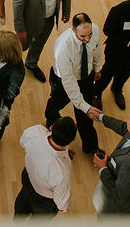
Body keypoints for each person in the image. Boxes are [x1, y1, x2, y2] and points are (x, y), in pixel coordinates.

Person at [44, 13, 102, 155]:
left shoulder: (94, 30)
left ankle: (91, 147)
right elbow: (69, 82)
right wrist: (83, 105)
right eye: (83, 36)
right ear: (73, 30)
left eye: (89, 34)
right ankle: (51, 121)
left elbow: (97, 50)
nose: (87, 39)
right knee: (55, 105)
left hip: (86, 77)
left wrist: (97, 68)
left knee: (85, 117)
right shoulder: (63, 48)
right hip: (63, 80)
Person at [13, 0, 72, 82]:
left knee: (39, 43)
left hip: (50, 19)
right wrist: (19, 29)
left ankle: (31, 63)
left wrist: (66, 10)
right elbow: (17, 5)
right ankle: (12, 66)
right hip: (29, 21)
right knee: (20, 47)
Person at [13, 118, 77, 218]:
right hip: (44, 202)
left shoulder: (36, 132)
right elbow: (61, 203)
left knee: (20, 210)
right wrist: (64, 208)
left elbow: (22, 142)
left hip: (27, 182)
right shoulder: (63, 171)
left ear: (51, 127)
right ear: (72, 140)